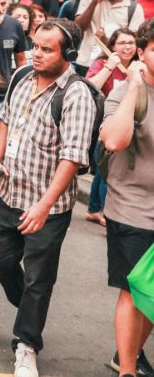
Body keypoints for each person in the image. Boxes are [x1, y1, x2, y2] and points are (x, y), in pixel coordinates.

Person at [0, 20, 97, 377]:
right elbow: (4, 120)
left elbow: (73, 155)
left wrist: (44, 205)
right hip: (8, 193)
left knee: (38, 279)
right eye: (35, 45)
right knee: (0, 262)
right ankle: (31, 310)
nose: (37, 53)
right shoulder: (22, 76)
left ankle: (27, 343)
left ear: (68, 55)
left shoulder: (76, 94)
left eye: (47, 49)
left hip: (47, 207)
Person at [99, 31, 154, 377]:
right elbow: (115, 139)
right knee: (135, 290)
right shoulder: (127, 92)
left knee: (152, 293)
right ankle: (127, 370)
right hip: (133, 208)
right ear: (143, 53)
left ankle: (129, 353)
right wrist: (133, 84)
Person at [85, 28, 140, 226]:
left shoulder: (140, 67)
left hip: (130, 127)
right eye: (122, 43)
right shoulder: (102, 63)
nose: (127, 47)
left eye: (131, 43)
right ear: (112, 46)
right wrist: (108, 67)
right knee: (107, 171)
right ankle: (106, 213)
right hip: (103, 126)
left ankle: (93, 209)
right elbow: (87, 88)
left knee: (102, 172)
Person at [76, 0, 146, 74]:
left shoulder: (134, 8)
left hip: (115, 66)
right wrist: (94, 2)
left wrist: (107, 42)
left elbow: (133, 42)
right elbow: (78, 28)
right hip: (86, 63)